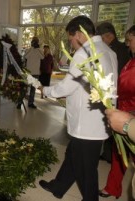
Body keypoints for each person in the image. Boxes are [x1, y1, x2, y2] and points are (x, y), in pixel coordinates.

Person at [38, 16, 118, 201]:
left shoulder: (84, 53)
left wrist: (45, 89)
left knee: (86, 170)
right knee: (73, 154)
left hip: (85, 124)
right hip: (100, 120)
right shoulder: (108, 50)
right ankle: (58, 187)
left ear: (80, 34)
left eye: (70, 39)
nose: (71, 43)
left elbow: (67, 86)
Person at [99, 24, 135, 199]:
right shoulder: (130, 58)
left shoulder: (122, 54)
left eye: (130, 40)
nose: (128, 44)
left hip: (130, 113)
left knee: (120, 153)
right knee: (118, 153)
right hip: (123, 109)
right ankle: (113, 187)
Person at [96, 22, 130, 163]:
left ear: (109, 36)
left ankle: (113, 156)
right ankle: (109, 154)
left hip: (120, 95)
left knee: (115, 125)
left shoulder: (119, 50)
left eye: (101, 38)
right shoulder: (115, 48)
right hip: (115, 93)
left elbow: (118, 75)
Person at [104, 109, 135, 199]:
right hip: (120, 115)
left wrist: (128, 125)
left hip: (127, 120)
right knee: (118, 155)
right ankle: (113, 188)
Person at [17, 37, 44, 109]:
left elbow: (42, 57)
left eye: (36, 41)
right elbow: (25, 56)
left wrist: (37, 49)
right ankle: (19, 103)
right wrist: (32, 48)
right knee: (24, 88)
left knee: (33, 89)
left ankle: (31, 103)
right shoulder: (29, 50)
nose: (35, 42)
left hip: (36, 72)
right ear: (32, 42)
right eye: (34, 41)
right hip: (28, 73)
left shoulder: (40, 50)